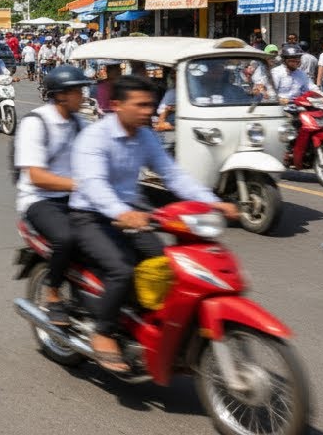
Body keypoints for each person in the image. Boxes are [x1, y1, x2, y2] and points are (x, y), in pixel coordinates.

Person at [68, 75, 238, 371]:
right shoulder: (94, 138)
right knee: (122, 269)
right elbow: (94, 186)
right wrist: (121, 212)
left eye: (151, 105)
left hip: (132, 212)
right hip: (91, 214)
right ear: (118, 105)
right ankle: (103, 332)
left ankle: (147, 326)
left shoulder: (145, 136)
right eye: (141, 105)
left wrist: (211, 201)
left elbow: (173, 176)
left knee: (166, 265)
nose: (149, 111)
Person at [16, 65, 92, 327]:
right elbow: (36, 176)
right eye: (78, 91)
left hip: (75, 197)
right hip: (39, 200)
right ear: (60, 95)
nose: (83, 95)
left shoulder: (81, 123)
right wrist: (80, 185)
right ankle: (52, 293)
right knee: (66, 237)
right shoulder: (36, 123)